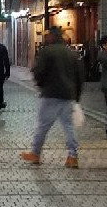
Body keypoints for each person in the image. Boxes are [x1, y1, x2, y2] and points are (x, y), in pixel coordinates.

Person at [21, 27, 84, 167]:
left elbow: (39, 72)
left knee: (43, 125)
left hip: (50, 94)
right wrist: (76, 96)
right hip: (68, 95)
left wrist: (40, 85)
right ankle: (73, 156)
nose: (46, 38)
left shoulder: (47, 52)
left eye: (48, 35)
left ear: (53, 37)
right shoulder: (72, 53)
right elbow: (80, 76)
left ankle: (35, 153)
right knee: (68, 126)